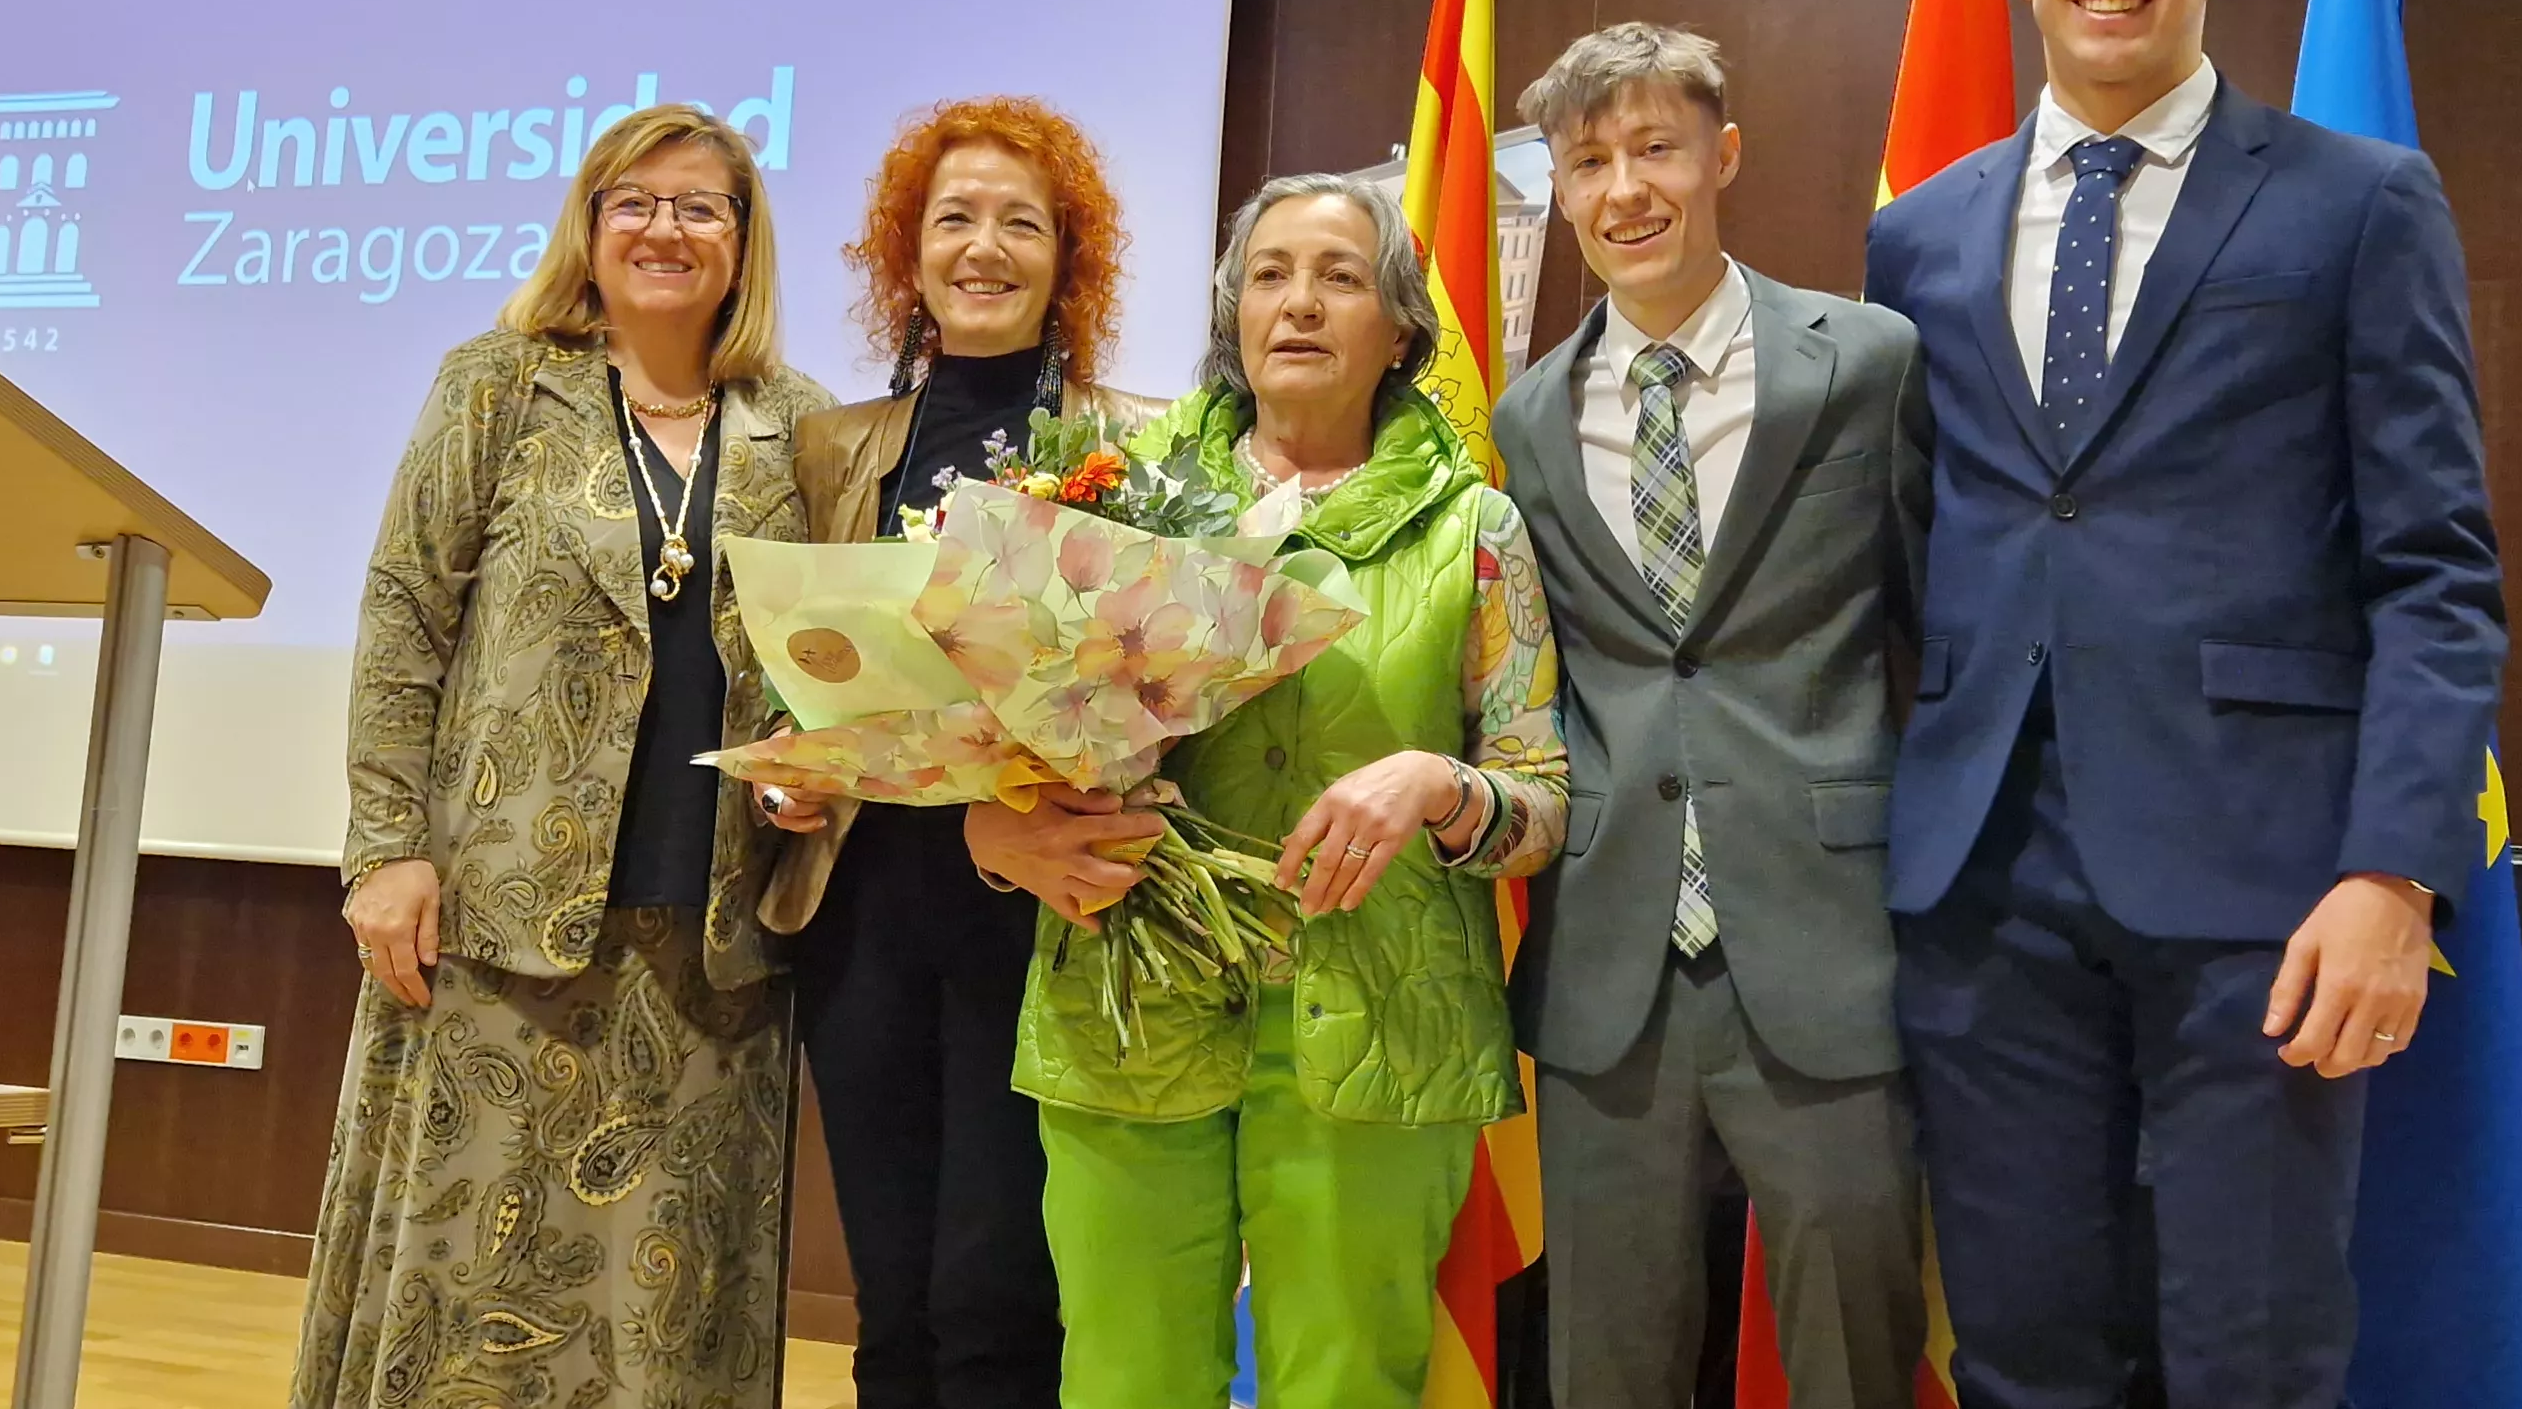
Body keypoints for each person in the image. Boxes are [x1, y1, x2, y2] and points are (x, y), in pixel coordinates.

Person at [1862, 0, 2506, 1409]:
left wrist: (2395, 871)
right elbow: (1912, 553)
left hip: (2267, 888)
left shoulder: (2358, 204)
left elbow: (2436, 567)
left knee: (2252, 1353)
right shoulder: (1919, 239)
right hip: (1983, 882)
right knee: (2019, 1349)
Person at [964, 171, 1571, 1409]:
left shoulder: (1476, 530)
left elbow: (1541, 801)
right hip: (1130, 1004)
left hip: (1380, 1020)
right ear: (1232, 312)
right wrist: (999, 827)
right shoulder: (1105, 499)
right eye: (1269, 275)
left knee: (1345, 1383)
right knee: (1126, 1380)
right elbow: (1001, 757)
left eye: (1340, 277)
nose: (1298, 303)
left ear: (1400, 328)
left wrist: (1436, 785)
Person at [295, 103, 839, 1409]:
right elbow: (404, 620)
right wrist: (385, 853)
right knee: (473, 1292)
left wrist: (816, 766)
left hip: (714, 948)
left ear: (744, 239)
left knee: (669, 1306)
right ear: (589, 228)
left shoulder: (800, 422)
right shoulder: (496, 383)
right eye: (634, 201)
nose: (665, 228)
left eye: (700, 205)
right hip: (499, 928)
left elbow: (832, 658)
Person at [1493, 23, 1933, 1409]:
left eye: (1657, 148)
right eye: (1589, 161)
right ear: (1559, 192)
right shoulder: (1526, 421)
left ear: (1722, 156)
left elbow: (1947, 638)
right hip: (1611, 962)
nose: (1626, 188)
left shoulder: (1868, 364)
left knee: (1855, 1353)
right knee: (1608, 1363)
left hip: (1830, 942)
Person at [766, 97, 1163, 1409]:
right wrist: (787, 761)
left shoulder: (1131, 445)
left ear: (1066, 257)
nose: (983, 247)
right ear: (909, 254)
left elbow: (1152, 690)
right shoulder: (835, 446)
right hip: (866, 917)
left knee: (998, 1294)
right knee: (891, 1296)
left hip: (1035, 915)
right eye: (954, 220)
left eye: (1019, 222)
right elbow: (787, 660)